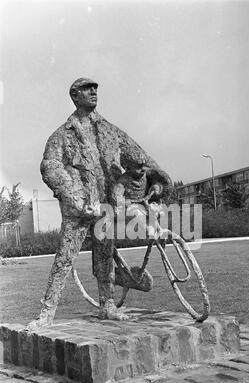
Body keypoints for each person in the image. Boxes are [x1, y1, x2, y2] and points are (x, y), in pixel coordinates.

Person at [28, 77, 171, 329]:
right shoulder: (61, 135)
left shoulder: (108, 130)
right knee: (64, 258)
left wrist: (157, 180)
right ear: (74, 96)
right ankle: (47, 313)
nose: (93, 91)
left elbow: (140, 157)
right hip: (81, 209)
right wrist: (75, 197)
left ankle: (107, 305)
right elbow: (50, 167)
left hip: (106, 207)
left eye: (95, 88)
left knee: (104, 256)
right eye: (87, 89)